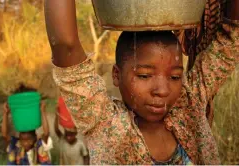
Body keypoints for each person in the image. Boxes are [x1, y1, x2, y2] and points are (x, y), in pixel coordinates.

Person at [44, 0, 239, 164]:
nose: (162, 91)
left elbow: (232, 38)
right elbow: (65, 45)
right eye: (144, 76)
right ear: (116, 75)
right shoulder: (104, 124)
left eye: (175, 77)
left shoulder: (189, 103)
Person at [1, 86, 53, 165]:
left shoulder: (39, 145)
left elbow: (46, 133)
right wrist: (5, 113)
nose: (25, 143)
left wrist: (42, 111)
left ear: (35, 137)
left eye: (29, 140)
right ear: (19, 139)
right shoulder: (16, 145)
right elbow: (4, 135)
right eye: (23, 140)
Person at [55, 97, 89, 165]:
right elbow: (56, 129)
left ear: (75, 134)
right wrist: (57, 115)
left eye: (71, 135)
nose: (68, 137)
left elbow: (86, 157)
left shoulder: (80, 144)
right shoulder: (63, 140)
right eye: (67, 135)